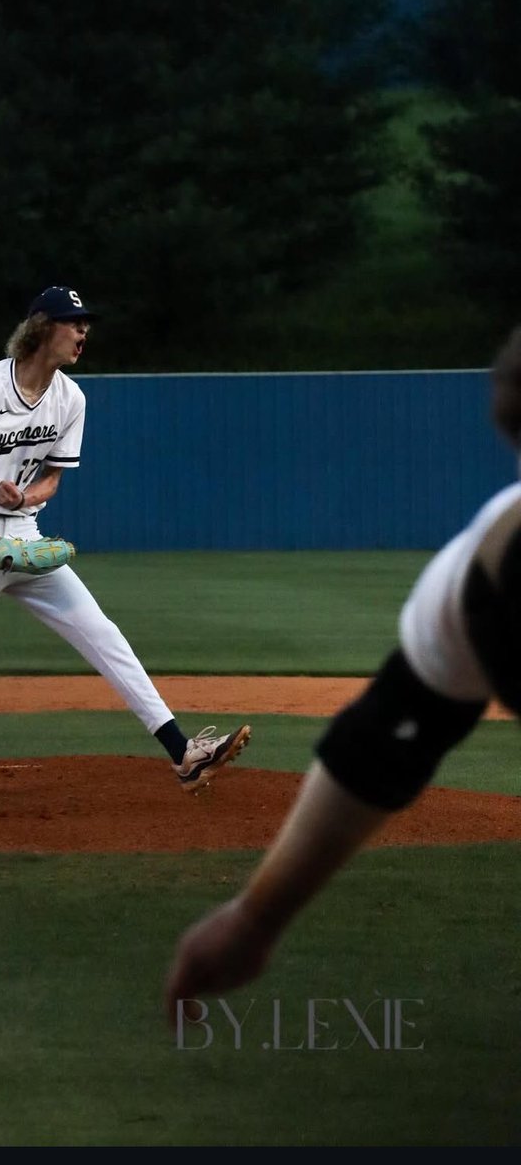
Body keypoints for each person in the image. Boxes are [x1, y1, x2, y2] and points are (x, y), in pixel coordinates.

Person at [165, 323, 521, 1026]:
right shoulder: (475, 580)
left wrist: (259, 918)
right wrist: (257, 918)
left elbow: (387, 739)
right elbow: (387, 739)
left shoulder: (483, 573)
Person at [0, 285, 252, 801]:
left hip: (25, 537)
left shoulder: (72, 398)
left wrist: (25, 498)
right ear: (42, 327)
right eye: (74, 322)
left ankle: (184, 754)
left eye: (85, 323)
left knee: (104, 635)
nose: (83, 331)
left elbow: (53, 481)